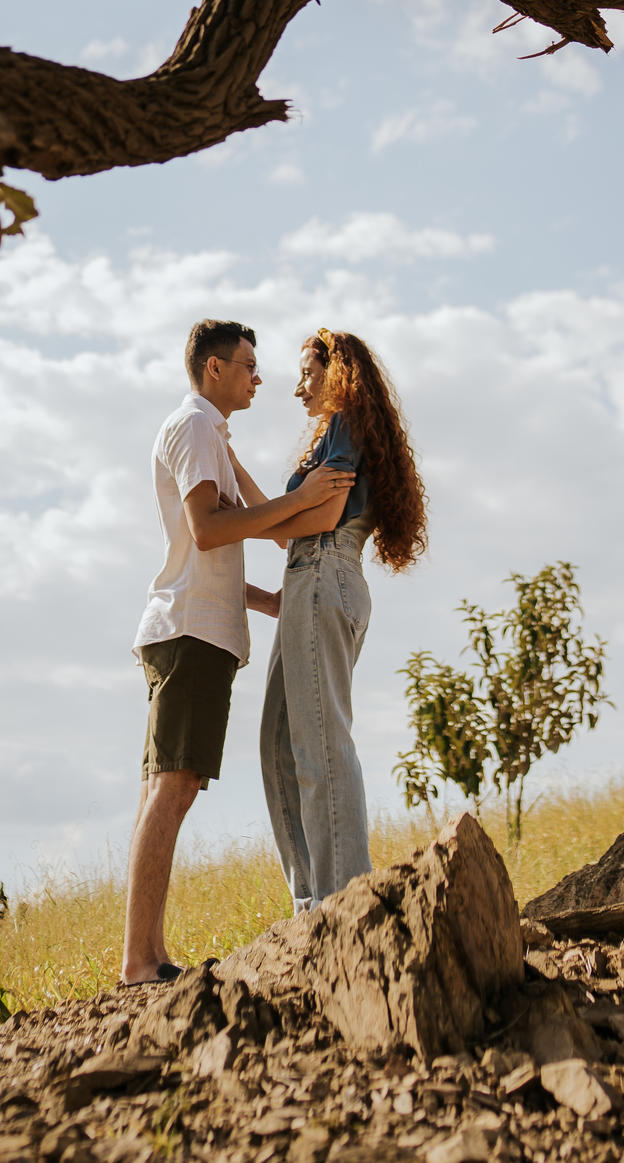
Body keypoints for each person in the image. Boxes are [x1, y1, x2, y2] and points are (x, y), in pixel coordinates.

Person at [121, 318, 355, 985]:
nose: (260, 377)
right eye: (249, 365)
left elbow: (210, 549)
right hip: (189, 633)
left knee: (167, 785)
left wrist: (263, 600)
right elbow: (209, 528)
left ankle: (150, 954)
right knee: (174, 785)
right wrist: (303, 499)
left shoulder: (211, 436)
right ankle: (141, 960)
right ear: (214, 369)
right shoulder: (195, 426)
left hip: (194, 626)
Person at [230, 328, 426, 914]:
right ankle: (312, 900)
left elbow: (317, 517)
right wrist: (235, 469)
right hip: (308, 579)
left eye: (308, 373)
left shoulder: (344, 422)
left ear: (336, 373)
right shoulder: (334, 433)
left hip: (323, 574)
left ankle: (343, 902)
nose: (298, 389)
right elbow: (289, 521)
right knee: (278, 745)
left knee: (319, 746)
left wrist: (246, 520)